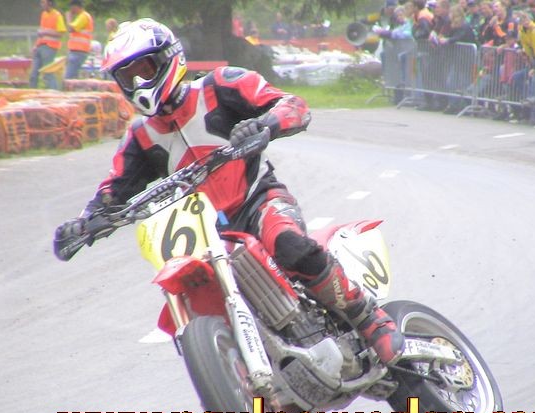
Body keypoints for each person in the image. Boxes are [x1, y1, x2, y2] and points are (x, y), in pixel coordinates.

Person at [52, 18, 405, 365]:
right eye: (127, 77)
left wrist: (264, 125)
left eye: (144, 70)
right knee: (192, 292)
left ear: (168, 58)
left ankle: (369, 319)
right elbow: (113, 190)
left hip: (258, 200)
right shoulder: (140, 136)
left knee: (289, 244)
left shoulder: (220, 85)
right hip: (205, 232)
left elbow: (292, 105)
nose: (139, 83)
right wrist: (84, 223)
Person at [29, 0, 66, 89]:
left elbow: (60, 33)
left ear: (50, 3)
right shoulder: (44, 14)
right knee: (33, 74)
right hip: (40, 46)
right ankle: (32, 92)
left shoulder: (57, 15)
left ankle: (54, 92)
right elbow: (41, 32)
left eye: (43, 2)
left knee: (48, 72)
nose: (41, 4)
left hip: (50, 47)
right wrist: (35, 45)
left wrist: (46, 32)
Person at [64, 0, 94, 80]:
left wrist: (68, 18)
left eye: (71, 8)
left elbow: (71, 29)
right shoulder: (81, 16)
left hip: (79, 50)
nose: (71, 10)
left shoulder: (83, 16)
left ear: (76, 7)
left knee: (69, 77)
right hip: (77, 50)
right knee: (73, 77)